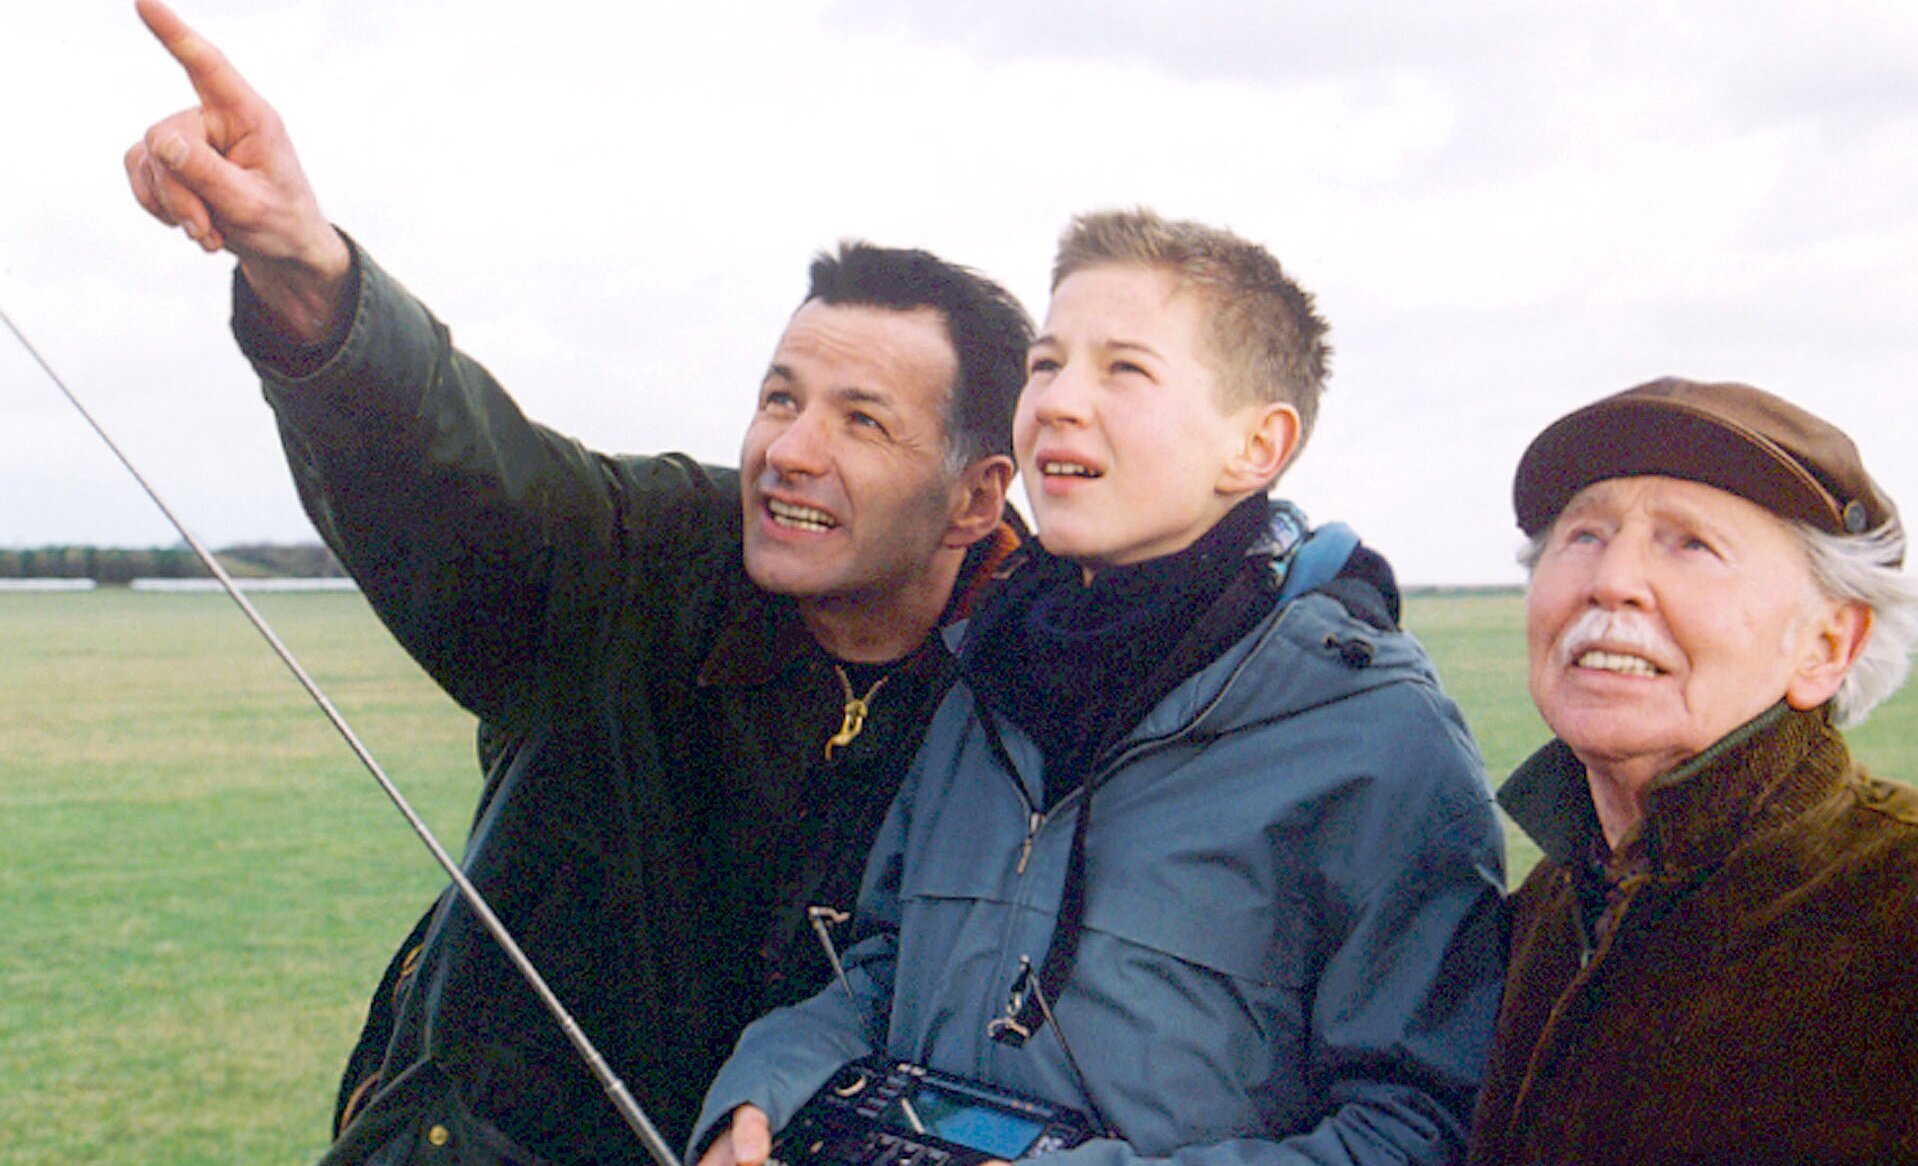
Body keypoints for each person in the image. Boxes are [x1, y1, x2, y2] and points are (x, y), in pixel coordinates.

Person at [123, 3, 1035, 1163]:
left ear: (975, 496)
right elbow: (469, 485)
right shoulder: (644, 557)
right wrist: (308, 277)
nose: (791, 449)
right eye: (780, 396)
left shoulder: (1046, 694)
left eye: (862, 419)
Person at [693, 208, 1510, 1166]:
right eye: (1046, 364)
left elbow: (1418, 1130)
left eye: (1123, 370)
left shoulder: (1374, 736)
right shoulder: (986, 673)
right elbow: (881, 967)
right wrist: (765, 1091)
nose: (1057, 401)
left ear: (1256, 446)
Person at [1466, 377, 1918, 1164]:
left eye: (1691, 544)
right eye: (1583, 535)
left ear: (1827, 647)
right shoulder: (1549, 908)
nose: (1610, 580)